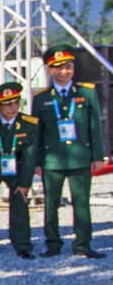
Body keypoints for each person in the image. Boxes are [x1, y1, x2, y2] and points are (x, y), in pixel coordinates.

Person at [33, 45, 107, 258]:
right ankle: (53, 243)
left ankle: (83, 243)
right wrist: (36, 161)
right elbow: (37, 133)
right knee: (51, 204)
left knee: (81, 203)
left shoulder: (86, 93)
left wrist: (98, 156)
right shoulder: (41, 98)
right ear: (49, 69)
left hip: (80, 158)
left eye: (68, 66)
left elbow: (95, 127)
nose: (64, 71)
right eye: (58, 67)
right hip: (51, 160)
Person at [0, 83, 39, 259]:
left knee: (20, 201)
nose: (12, 108)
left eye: (15, 103)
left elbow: (30, 156)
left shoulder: (28, 124)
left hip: (16, 166)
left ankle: (22, 244)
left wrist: (24, 182)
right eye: (7, 104)